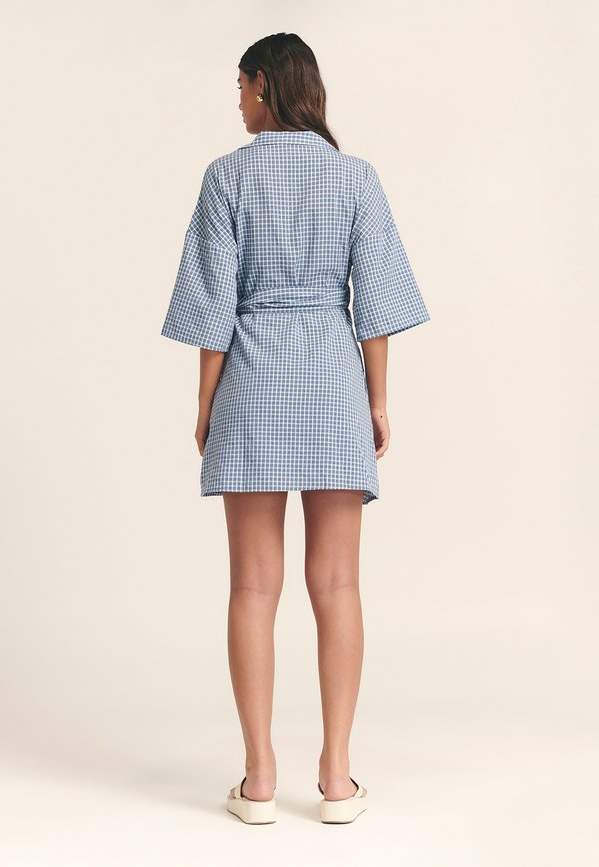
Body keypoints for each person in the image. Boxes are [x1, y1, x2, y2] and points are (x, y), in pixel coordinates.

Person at [160, 32, 430, 825]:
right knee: (338, 584)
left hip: (251, 379)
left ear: (264, 86)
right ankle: (337, 779)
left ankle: (259, 780)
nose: (237, 101)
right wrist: (378, 400)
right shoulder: (355, 177)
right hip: (334, 381)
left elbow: (213, 308)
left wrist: (205, 403)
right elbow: (375, 306)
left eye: (241, 86)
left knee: (252, 585)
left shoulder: (227, 177)